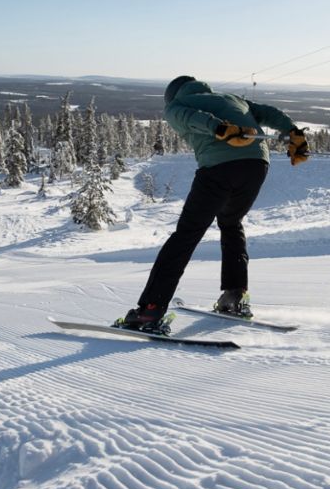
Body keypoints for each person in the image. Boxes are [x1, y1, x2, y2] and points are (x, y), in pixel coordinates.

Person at [116, 75, 310, 335]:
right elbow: (269, 113)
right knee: (231, 223)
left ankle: (149, 311)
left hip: (218, 170)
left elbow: (190, 119)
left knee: (186, 236)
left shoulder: (175, 107)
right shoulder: (231, 98)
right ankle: (234, 297)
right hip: (256, 166)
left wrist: (219, 128)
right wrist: (293, 133)